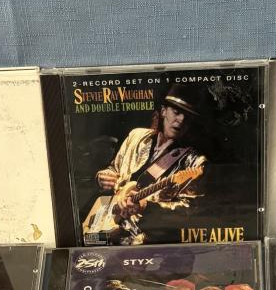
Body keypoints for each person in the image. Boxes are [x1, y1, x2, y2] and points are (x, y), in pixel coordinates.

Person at [89, 83, 210, 243]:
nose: (181, 120)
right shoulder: (136, 136)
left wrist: (146, 207)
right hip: (104, 225)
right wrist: (103, 177)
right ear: (163, 111)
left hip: (142, 242)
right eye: (177, 112)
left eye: (187, 117)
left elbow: (190, 213)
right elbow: (114, 169)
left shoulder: (195, 162)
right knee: (87, 246)